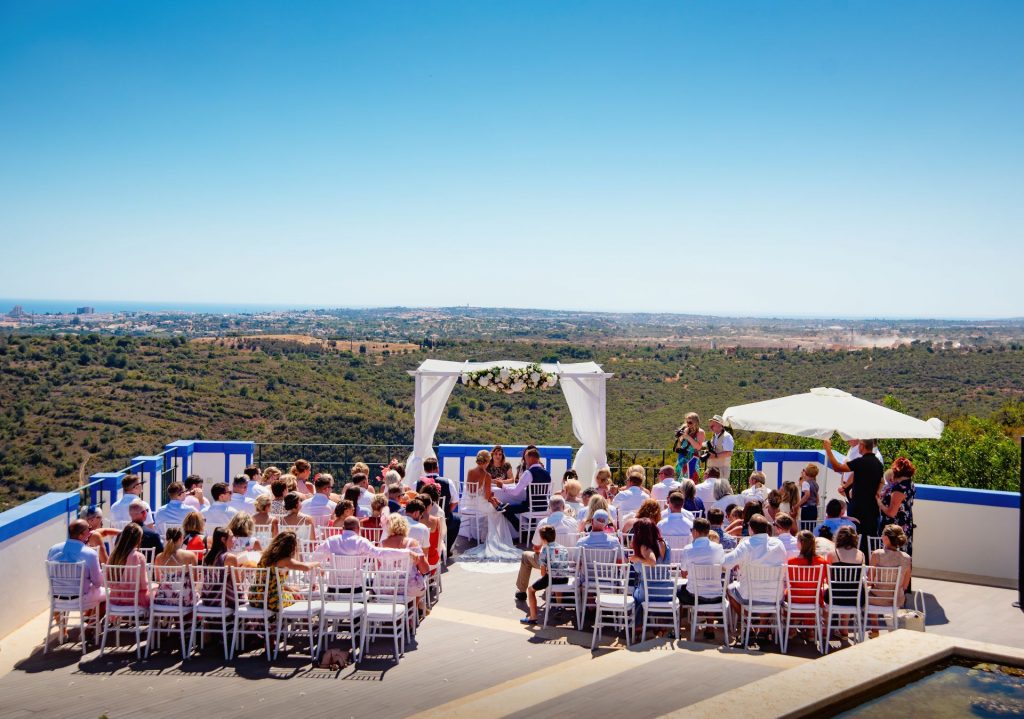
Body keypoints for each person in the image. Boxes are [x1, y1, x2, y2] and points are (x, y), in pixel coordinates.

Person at [825, 438, 884, 552]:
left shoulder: (860, 462)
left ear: (862, 446)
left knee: (855, 541)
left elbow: (838, 468)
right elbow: (881, 481)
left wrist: (828, 450)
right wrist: (877, 492)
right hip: (873, 510)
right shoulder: (878, 464)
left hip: (858, 509)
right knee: (869, 544)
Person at [722, 514, 787, 615]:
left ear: (750, 529)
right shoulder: (779, 544)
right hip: (775, 597)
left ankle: (750, 622)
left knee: (729, 589)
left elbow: (726, 563)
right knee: (766, 592)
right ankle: (761, 628)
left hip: (749, 596)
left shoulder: (746, 545)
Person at [249, 532, 320, 612]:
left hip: (255, 598)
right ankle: (302, 618)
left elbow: (272, 581)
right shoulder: (284, 560)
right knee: (298, 596)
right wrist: (317, 563)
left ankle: (276, 620)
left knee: (294, 591)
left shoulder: (265, 557)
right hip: (272, 602)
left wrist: (290, 589)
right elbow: (306, 567)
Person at [47, 520, 105, 609]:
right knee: (109, 594)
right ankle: (92, 622)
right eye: (89, 529)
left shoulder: (53, 549)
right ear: (80, 535)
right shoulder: (90, 553)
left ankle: (61, 623)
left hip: (56, 598)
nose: (91, 531)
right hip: (81, 599)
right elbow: (97, 583)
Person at [520, 525, 569, 625]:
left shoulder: (545, 551)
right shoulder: (563, 548)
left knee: (531, 590)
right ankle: (559, 606)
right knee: (557, 581)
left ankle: (533, 617)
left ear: (543, 538)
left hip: (552, 578)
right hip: (564, 578)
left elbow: (543, 573)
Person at [494, 447, 549, 533]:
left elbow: (515, 492)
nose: (525, 461)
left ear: (531, 458)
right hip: (544, 506)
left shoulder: (528, 473)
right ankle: (530, 531)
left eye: (526, 458)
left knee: (503, 509)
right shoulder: (546, 473)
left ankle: (522, 531)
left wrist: (503, 486)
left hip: (530, 507)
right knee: (506, 506)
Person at [677, 517, 726, 612]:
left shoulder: (688, 549)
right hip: (716, 596)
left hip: (695, 597)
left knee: (677, 590)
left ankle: (680, 623)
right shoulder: (718, 548)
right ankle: (710, 624)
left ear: (695, 531)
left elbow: (683, 574)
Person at [628, 518, 672, 624]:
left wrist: (637, 559)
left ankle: (638, 625)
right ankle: (658, 625)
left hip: (650, 593)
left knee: (635, 594)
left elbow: (652, 562)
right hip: (667, 592)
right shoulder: (665, 543)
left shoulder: (645, 548)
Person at [379, 514, 429, 603]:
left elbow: (378, 567)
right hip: (407, 588)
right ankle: (412, 613)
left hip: (384, 587)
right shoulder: (412, 543)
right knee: (421, 582)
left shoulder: (382, 544)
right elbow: (425, 569)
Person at [418, 458, 461, 555]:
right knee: (457, 520)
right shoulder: (448, 482)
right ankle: (447, 549)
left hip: (422, 520)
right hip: (443, 520)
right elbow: (455, 501)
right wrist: (446, 513)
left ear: (425, 469)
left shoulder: (417, 483)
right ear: (437, 468)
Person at [878, 457, 917, 555]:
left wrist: (879, 502)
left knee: (891, 559)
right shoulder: (910, 484)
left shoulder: (899, 488)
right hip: (905, 524)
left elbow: (891, 513)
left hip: (895, 529)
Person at [107, 523, 151, 609]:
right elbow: (143, 584)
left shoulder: (113, 555)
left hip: (115, 598)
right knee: (156, 591)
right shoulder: (137, 556)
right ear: (138, 539)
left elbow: (107, 580)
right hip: (133, 599)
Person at [153, 526, 198, 606]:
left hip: (163, 599)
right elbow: (195, 580)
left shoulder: (159, 557)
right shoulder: (191, 555)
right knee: (196, 595)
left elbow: (158, 580)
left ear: (166, 538)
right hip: (183, 599)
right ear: (181, 538)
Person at [869, 524, 913, 607]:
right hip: (897, 600)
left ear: (886, 538)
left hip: (876, 598)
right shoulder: (907, 558)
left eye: (882, 534)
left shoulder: (876, 554)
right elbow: (905, 585)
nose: (881, 536)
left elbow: (869, 581)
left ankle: (874, 620)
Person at [314, 516, 382, 561]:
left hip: (334, 581)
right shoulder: (362, 542)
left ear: (343, 528)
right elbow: (378, 553)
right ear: (358, 529)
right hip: (357, 581)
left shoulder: (331, 541)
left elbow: (315, 557)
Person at [674, 413, 706, 480]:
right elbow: (680, 446)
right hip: (682, 457)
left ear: (696, 422)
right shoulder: (686, 430)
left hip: (692, 458)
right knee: (678, 480)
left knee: (690, 480)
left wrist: (688, 437)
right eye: (687, 422)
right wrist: (679, 439)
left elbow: (698, 447)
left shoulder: (700, 432)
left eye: (690, 422)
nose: (688, 424)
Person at [706, 415, 734, 481]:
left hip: (722, 469)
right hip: (713, 469)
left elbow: (729, 453)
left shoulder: (727, 436)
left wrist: (715, 456)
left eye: (713, 425)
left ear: (720, 425)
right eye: (711, 425)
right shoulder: (714, 436)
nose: (711, 427)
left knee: (721, 490)